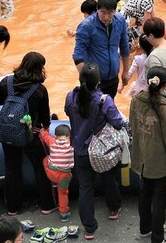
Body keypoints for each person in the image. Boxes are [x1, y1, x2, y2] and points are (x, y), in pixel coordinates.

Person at [0, 52, 55, 217]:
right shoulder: (40, 89)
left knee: (12, 168)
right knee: (41, 167)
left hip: (8, 132)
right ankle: (46, 205)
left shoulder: (7, 82)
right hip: (31, 135)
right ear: (40, 68)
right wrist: (45, 128)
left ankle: (13, 208)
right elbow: (45, 117)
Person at [66, 62, 128, 239]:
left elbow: (69, 113)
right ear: (99, 81)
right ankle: (113, 209)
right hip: (101, 149)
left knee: (85, 188)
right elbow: (118, 122)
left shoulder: (70, 97)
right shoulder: (104, 100)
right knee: (108, 178)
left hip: (80, 150)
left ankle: (89, 228)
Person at [130, 66, 166, 243]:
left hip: (141, 158)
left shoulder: (136, 100)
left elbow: (132, 126)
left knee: (144, 195)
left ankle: (145, 229)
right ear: (165, 85)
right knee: (159, 200)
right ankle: (158, 237)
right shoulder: (165, 108)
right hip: (159, 163)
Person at [72, 0, 131, 96]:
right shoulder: (86, 26)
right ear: (97, 10)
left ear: (115, 11)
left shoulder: (120, 21)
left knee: (108, 108)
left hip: (113, 78)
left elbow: (124, 47)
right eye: (103, 12)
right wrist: (87, 81)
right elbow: (78, 55)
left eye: (110, 13)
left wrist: (126, 71)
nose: (106, 17)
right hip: (94, 81)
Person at [39, 124, 74, 222]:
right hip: (65, 176)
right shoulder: (71, 142)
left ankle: (54, 181)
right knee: (63, 193)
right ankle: (64, 213)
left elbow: (44, 135)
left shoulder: (52, 141)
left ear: (55, 135)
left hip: (52, 174)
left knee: (45, 159)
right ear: (69, 136)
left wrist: (44, 130)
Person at [144, 17, 166, 105]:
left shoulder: (154, 57)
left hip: (161, 99)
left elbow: (155, 84)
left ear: (151, 36)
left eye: (146, 35)